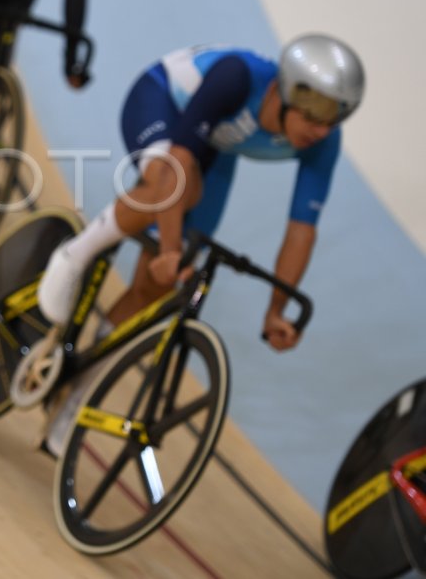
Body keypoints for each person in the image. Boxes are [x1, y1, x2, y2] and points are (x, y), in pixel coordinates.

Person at [35, 35, 365, 454]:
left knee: (156, 289)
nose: (321, 131)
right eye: (315, 115)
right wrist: (168, 249)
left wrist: (277, 308)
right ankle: (74, 254)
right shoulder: (237, 77)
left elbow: (302, 229)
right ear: (286, 90)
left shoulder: (323, 143)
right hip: (162, 102)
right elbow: (177, 162)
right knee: (172, 189)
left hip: (215, 148)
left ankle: (76, 393)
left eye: (335, 118)